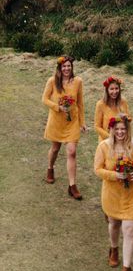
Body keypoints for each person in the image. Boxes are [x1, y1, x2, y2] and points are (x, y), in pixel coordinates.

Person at [94, 115, 133, 271]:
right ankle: (114, 248)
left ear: (128, 129)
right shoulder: (104, 146)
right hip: (112, 195)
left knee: (129, 230)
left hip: (132, 196)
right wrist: (115, 175)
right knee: (114, 224)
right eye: (117, 129)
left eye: (123, 129)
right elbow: (98, 169)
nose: (120, 132)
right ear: (112, 130)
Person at [42, 55, 87, 199]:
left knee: (72, 152)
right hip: (56, 121)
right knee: (55, 148)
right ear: (60, 68)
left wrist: (82, 122)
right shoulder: (52, 81)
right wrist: (58, 107)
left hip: (72, 122)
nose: (67, 69)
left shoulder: (78, 81)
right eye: (64, 66)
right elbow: (44, 99)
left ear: (72, 68)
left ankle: (72, 186)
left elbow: (80, 103)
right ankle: (50, 168)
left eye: (69, 66)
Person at [94, 76, 132, 143]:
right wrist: (110, 137)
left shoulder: (123, 102)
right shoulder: (100, 104)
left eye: (116, 88)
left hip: (122, 140)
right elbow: (97, 127)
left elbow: (129, 118)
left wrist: (126, 118)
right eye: (111, 89)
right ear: (107, 90)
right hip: (106, 141)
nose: (114, 92)